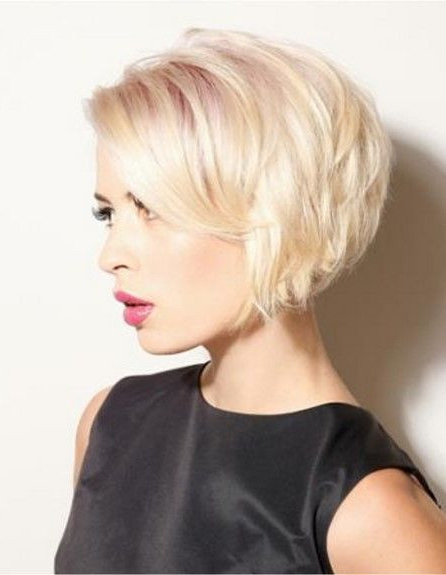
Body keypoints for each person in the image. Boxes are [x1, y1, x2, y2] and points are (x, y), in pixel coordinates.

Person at [54, 27, 446, 574]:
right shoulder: (110, 424)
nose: (111, 255)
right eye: (109, 213)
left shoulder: (371, 510)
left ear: (275, 213)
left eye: (153, 208)